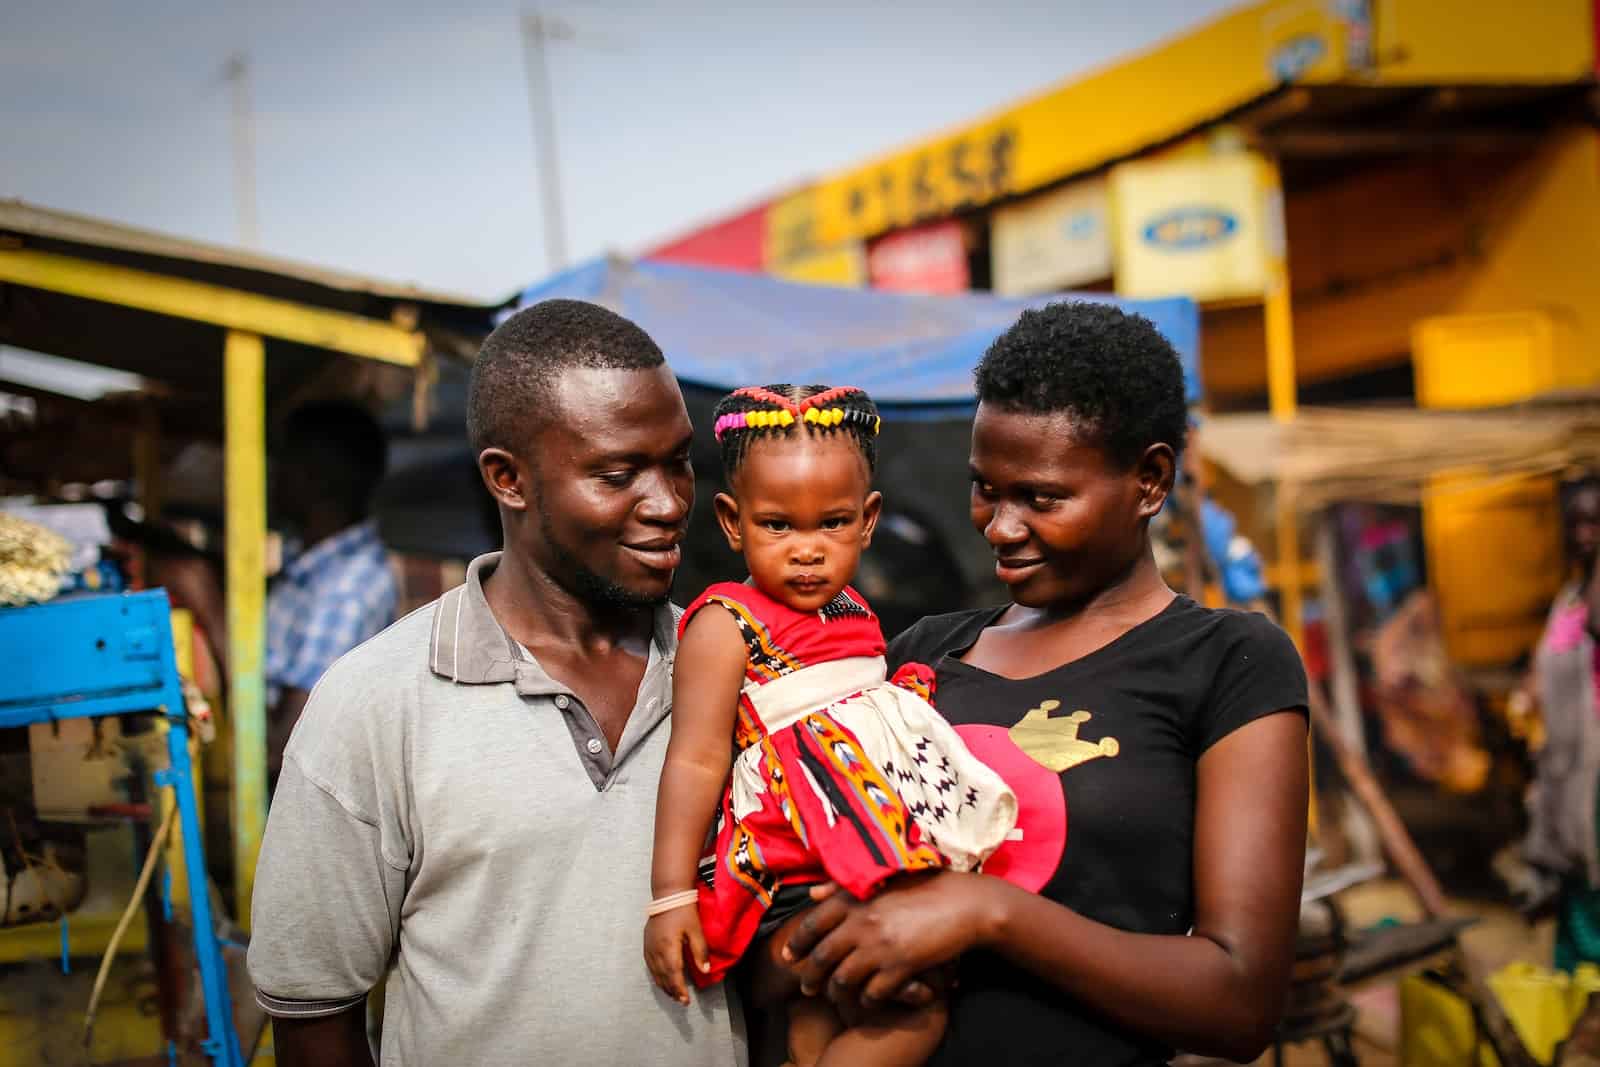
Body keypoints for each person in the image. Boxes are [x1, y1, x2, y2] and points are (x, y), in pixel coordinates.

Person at [778, 302, 1310, 1066]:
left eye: (1042, 497)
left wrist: (990, 911)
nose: (998, 525)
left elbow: (1240, 998)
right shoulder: (922, 653)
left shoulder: (1229, 662)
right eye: (985, 488)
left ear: (1151, 480)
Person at [246, 300, 745, 1066]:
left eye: (678, 461)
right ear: (507, 479)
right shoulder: (374, 704)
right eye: (617, 474)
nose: (669, 502)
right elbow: (315, 1018)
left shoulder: (740, 671)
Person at [644, 385, 1016, 1067]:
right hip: (786, 866)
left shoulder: (859, 617)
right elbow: (695, 760)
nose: (807, 549)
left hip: (870, 853)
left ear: (869, 520)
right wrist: (670, 895)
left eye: (833, 523)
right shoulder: (724, 624)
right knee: (908, 1007)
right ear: (733, 521)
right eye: (778, 525)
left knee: (840, 1017)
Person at [147, 401, 397, 785]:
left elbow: (283, 748)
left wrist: (209, 605)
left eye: (283, 464)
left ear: (317, 481)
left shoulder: (348, 589)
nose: (271, 477)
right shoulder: (313, 564)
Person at [1521, 474, 1600, 971]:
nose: (1584, 532)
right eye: (1576, 522)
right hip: (1564, 771)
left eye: (1595, 521)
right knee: (1571, 874)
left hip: (1597, 768)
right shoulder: (1569, 596)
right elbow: (1549, 657)